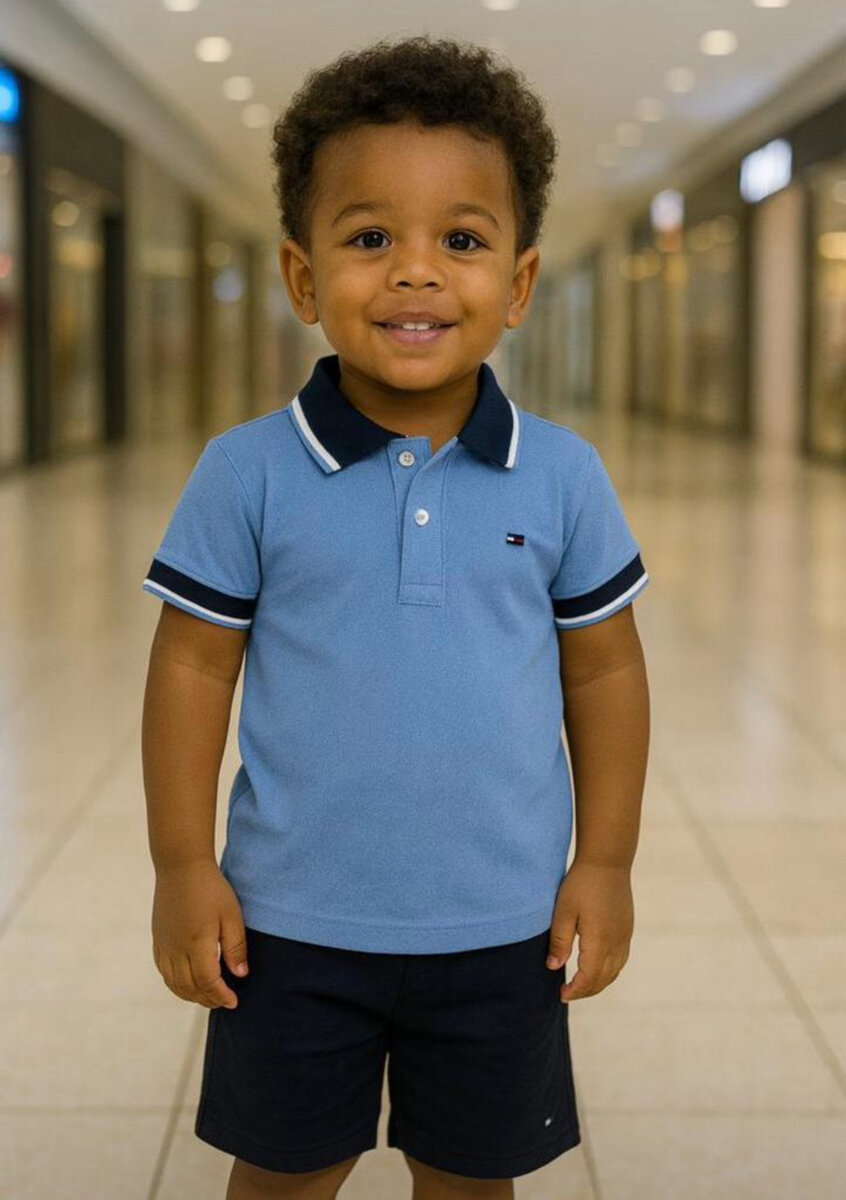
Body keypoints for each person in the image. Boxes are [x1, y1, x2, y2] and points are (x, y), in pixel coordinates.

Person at [140, 33, 651, 1200]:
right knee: (284, 1173)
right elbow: (191, 671)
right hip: (286, 922)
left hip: (502, 925)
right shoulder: (247, 473)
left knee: (471, 1178)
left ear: (518, 283)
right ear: (302, 276)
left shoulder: (563, 477)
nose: (415, 274)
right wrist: (181, 864)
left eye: (460, 241)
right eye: (370, 238)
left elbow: (606, 674)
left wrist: (607, 861)